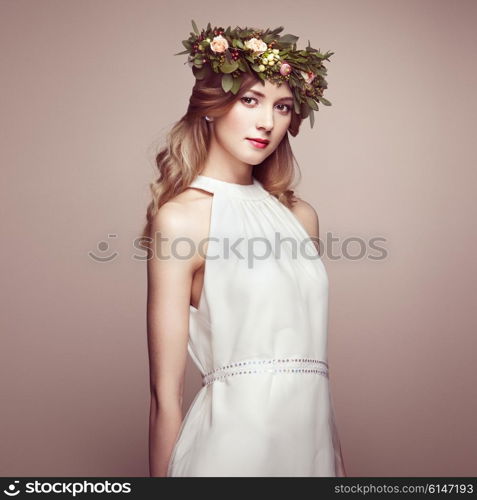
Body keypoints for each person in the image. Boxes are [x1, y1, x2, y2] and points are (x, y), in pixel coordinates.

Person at [142, 21, 347, 477]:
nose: (266, 122)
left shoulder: (301, 218)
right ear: (213, 106)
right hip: (227, 457)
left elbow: (313, 378)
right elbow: (165, 393)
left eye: (282, 107)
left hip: (308, 454)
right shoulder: (181, 218)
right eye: (250, 100)